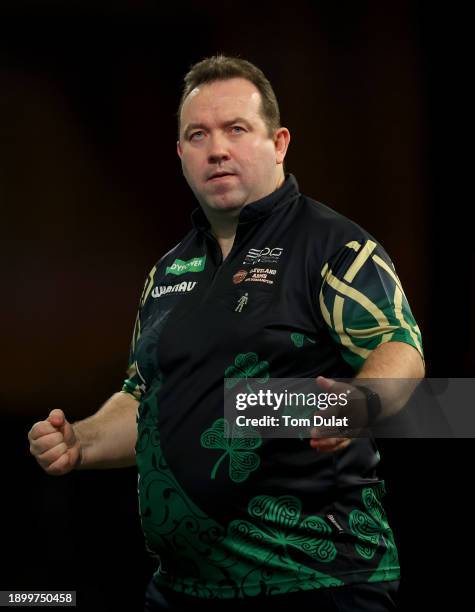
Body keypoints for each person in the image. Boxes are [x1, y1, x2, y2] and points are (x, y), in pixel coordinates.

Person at [28, 55, 424, 611]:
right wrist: (83, 441)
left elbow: (400, 349)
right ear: (181, 156)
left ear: (279, 142)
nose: (217, 148)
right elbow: (147, 403)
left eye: (236, 129)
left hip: (315, 583)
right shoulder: (166, 273)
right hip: (181, 590)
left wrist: (362, 400)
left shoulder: (333, 246)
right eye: (198, 135)